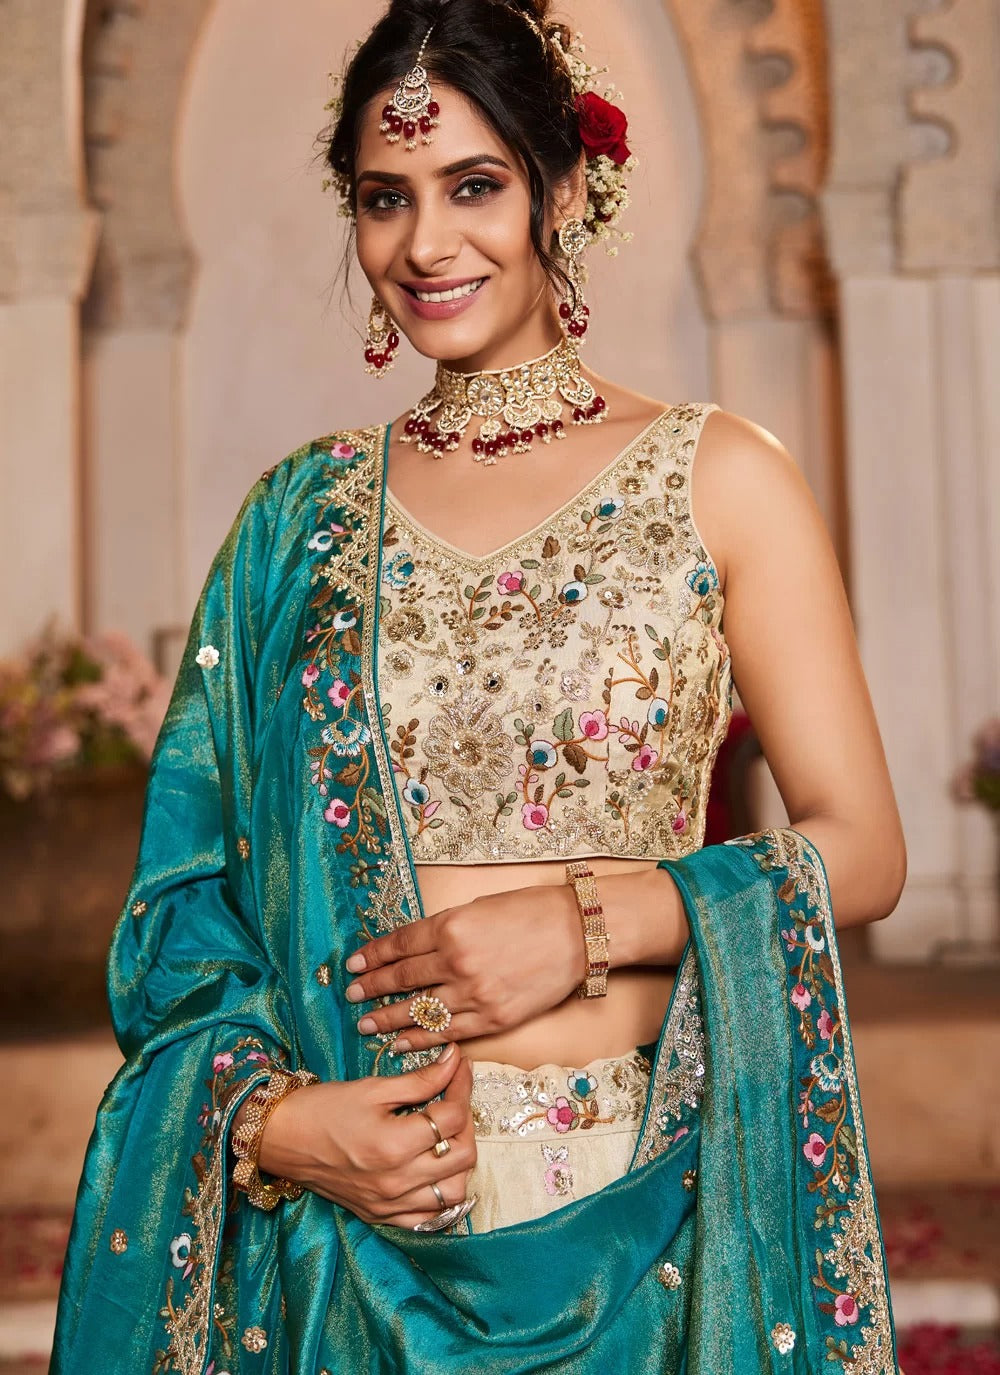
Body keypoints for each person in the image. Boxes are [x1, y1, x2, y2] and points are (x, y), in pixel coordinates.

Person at [53, 1, 908, 1370]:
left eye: (475, 186)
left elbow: (863, 848)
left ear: (564, 188)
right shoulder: (298, 522)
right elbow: (183, 910)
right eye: (385, 199)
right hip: (355, 1237)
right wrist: (275, 1129)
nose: (426, 244)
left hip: (647, 1230)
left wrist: (590, 922)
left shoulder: (720, 477)